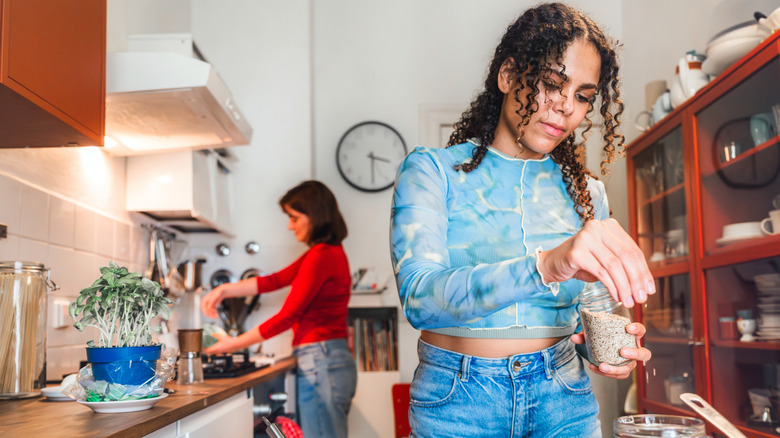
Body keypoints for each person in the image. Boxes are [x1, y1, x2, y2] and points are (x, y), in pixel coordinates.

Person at [390, 3, 654, 437]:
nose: (567, 107)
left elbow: (590, 305)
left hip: (563, 397)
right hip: (458, 403)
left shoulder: (588, 194)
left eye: (584, 96)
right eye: (553, 84)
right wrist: (548, 264)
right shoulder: (432, 172)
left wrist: (611, 346)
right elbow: (421, 299)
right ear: (509, 75)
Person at [201, 180, 357, 438]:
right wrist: (223, 290)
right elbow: (273, 281)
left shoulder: (322, 256)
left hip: (322, 361)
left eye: (294, 218)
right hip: (327, 359)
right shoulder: (322, 254)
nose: (289, 225)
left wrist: (233, 344)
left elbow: (288, 316)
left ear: (315, 215)